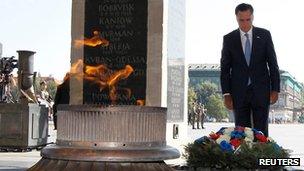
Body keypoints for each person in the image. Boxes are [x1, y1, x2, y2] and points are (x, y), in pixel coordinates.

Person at [220, 3, 280, 136]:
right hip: (238, 93)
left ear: (252, 17)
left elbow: (273, 63)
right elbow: (225, 69)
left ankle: (261, 156)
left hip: (261, 91)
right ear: (236, 18)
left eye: (248, 19)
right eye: (241, 20)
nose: (245, 24)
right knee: (241, 132)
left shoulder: (264, 35)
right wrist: (226, 94)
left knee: (261, 132)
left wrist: (275, 89)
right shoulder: (229, 39)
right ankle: (244, 156)